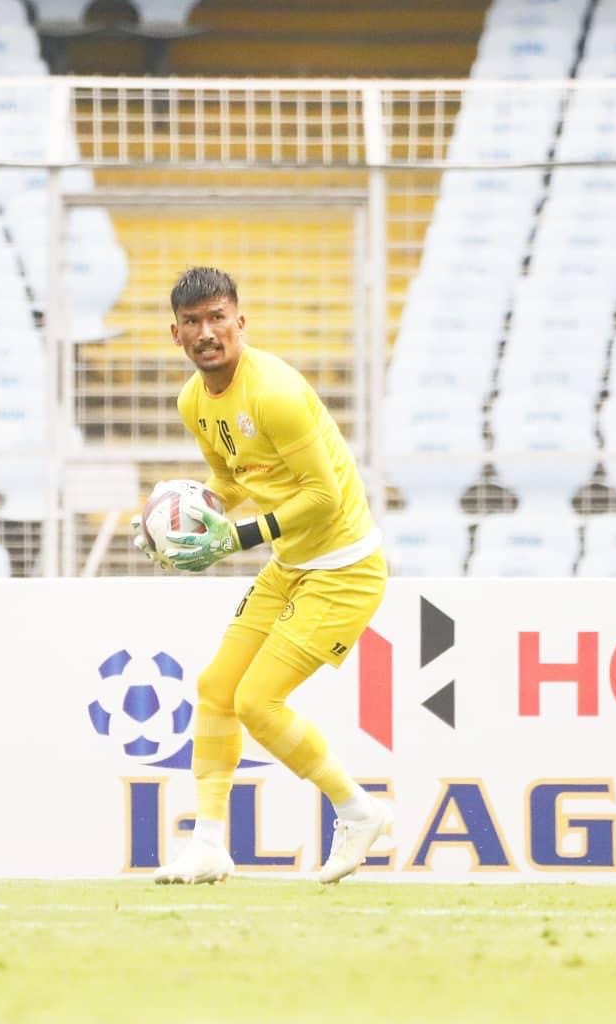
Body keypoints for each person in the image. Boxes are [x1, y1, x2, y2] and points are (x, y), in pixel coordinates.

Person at [131, 266, 390, 885]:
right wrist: (179, 522)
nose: (206, 332)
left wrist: (234, 538)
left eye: (218, 318)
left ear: (240, 322)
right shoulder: (193, 401)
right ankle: (208, 845)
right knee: (217, 688)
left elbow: (323, 498)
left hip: (345, 569)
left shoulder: (275, 394)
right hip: (291, 563)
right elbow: (231, 480)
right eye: (192, 322)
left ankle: (358, 811)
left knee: (256, 701)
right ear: (175, 334)